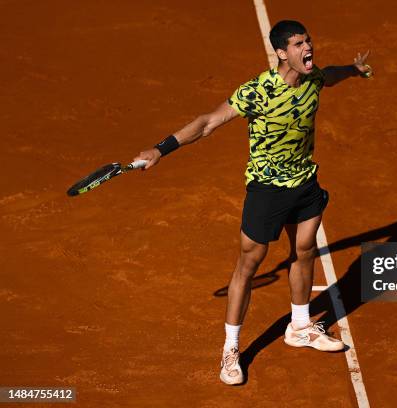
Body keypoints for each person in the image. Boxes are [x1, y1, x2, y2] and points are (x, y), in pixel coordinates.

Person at [134, 20, 372, 385]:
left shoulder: (314, 79)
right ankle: (230, 349)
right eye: (297, 44)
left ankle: (299, 326)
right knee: (249, 263)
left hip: (305, 182)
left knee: (305, 250)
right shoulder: (258, 91)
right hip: (267, 191)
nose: (307, 48)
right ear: (281, 53)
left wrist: (354, 70)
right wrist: (161, 149)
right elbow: (208, 122)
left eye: (308, 41)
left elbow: (332, 75)